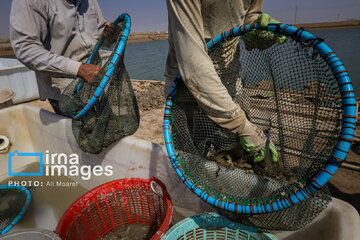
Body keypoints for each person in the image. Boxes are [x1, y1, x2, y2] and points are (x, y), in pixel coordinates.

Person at [164, 0, 281, 162]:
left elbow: (247, 16)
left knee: (243, 163)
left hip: (232, 83)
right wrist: (240, 125)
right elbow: (192, 61)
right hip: (188, 92)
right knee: (191, 162)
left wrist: (256, 29)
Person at [10, 0, 114, 114]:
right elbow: (25, 48)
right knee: (74, 130)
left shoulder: (90, 2)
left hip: (96, 83)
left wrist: (107, 33)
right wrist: (78, 69)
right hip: (64, 91)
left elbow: (98, 32)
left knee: (101, 125)